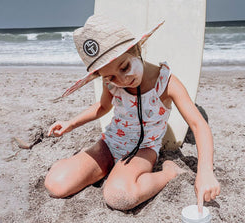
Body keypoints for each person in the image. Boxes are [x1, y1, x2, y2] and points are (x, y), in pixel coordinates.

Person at [44, 14, 220, 212]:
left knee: (118, 196)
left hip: (143, 150)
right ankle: (105, 169)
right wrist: (71, 123)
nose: (122, 79)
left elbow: (198, 124)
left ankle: (169, 172)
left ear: (137, 49)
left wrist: (205, 172)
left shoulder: (166, 83)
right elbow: (103, 107)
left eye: (125, 67)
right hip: (110, 143)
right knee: (56, 185)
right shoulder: (110, 81)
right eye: (110, 77)